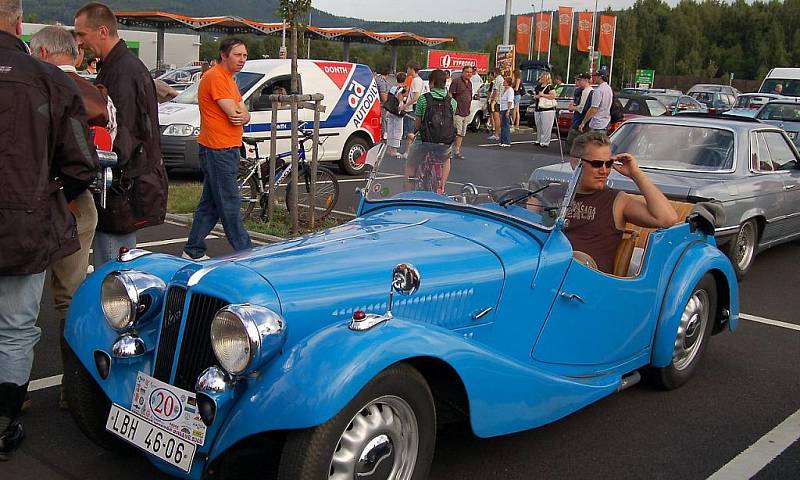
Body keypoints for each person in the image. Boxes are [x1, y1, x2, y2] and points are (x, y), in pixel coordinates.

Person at [0, 0, 98, 459]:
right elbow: (83, 163)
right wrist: (48, 191)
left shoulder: (48, 79)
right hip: (24, 225)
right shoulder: (48, 80)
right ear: (19, 23)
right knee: (17, 326)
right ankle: (5, 421)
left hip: (25, 220)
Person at [74, 2, 168, 266]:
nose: (79, 42)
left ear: (102, 31)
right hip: (123, 185)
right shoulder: (118, 66)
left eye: (82, 35)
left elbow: (122, 134)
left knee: (114, 273)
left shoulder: (122, 71)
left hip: (120, 188)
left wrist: (101, 165)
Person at [562, 132, 678, 274]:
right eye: (597, 164)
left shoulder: (617, 200)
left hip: (590, 282)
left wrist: (635, 173)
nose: (604, 171)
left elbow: (667, 218)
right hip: (546, 271)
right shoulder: (555, 194)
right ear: (575, 163)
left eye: (609, 163)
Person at [182, 38, 253, 261]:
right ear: (224, 55)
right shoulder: (215, 77)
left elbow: (244, 112)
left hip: (227, 147)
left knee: (211, 204)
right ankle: (246, 252)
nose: (242, 59)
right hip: (217, 148)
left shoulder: (229, 80)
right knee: (229, 202)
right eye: (237, 55)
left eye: (244, 55)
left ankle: (193, 251)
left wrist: (244, 115)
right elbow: (234, 115)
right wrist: (242, 115)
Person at [406, 69, 457, 192]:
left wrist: (414, 133)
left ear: (432, 82)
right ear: (445, 83)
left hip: (425, 141)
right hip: (444, 142)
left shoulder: (423, 99)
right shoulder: (452, 102)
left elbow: (418, 124)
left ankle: (408, 189)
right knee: (446, 159)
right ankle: (442, 186)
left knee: (410, 162)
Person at [448, 65, 475, 159]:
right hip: (457, 112)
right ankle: (448, 151)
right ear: (463, 72)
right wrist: (451, 107)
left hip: (466, 112)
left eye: (470, 72)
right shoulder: (456, 81)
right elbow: (450, 94)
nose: (469, 74)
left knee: (462, 133)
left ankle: (457, 151)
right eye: (467, 72)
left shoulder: (470, 83)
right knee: (455, 132)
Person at [579, 66, 613, 133]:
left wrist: (583, 122)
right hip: (606, 122)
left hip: (597, 124)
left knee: (593, 142)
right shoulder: (609, 89)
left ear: (600, 77)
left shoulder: (598, 91)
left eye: (596, 76)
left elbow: (594, 108)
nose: (594, 78)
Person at [565, 72, 593, 152]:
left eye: (580, 80)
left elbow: (582, 108)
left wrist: (573, 107)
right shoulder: (581, 91)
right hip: (578, 119)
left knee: (573, 140)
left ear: (586, 80)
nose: (578, 82)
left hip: (580, 120)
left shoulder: (587, 92)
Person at [401, 62, 424, 156]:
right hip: (412, 108)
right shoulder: (417, 80)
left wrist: (405, 106)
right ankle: (408, 152)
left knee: (409, 132)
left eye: (408, 68)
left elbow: (416, 97)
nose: (407, 70)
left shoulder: (416, 80)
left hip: (412, 109)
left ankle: (410, 151)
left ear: (412, 69)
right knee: (409, 131)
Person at [385, 72, 407, 158]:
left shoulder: (392, 88)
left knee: (390, 129)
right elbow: (400, 99)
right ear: (404, 80)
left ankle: (389, 149)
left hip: (390, 110)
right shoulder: (401, 89)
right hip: (397, 111)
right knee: (397, 131)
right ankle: (394, 150)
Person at [533, 72, 557, 148]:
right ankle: (539, 140)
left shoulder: (550, 87)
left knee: (546, 126)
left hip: (547, 109)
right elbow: (536, 94)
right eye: (541, 77)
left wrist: (542, 95)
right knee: (539, 125)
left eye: (543, 77)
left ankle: (545, 142)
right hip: (538, 107)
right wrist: (536, 96)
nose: (542, 78)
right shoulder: (538, 86)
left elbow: (553, 96)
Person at [488, 70, 504, 141]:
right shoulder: (502, 79)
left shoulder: (497, 79)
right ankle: (497, 133)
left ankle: (496, 134)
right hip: (499, 100)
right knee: (497, 118)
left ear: (495, 73)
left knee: (496, 118)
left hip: (496, 101)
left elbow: (495, 91)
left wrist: (492, 100)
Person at [499, 75, 515, 147]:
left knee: (506, 125)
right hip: (503, 108)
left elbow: (510, 101)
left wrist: (508, 110)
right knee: (503, 125)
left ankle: (506, 141)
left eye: (505, 81)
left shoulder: (510, 90)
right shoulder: (505, 90)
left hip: (507, 109)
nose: (503, 82)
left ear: (508, 83)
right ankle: (502, 140)